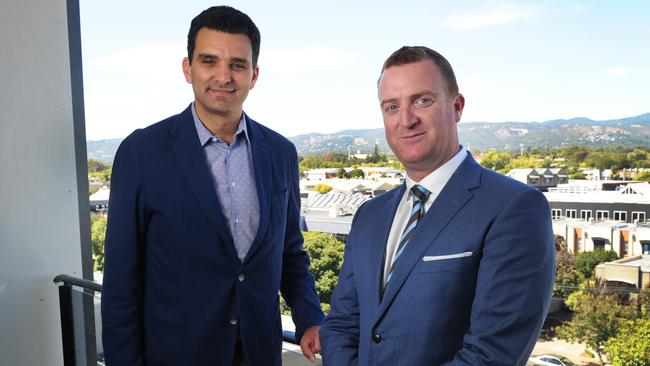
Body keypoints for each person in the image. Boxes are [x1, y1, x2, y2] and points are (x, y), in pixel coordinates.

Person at [101, 6, 324, 365]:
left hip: (259, 352)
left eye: (237, 65)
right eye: (209, 61)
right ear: (188, 69)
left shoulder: (281, 152)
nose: (224, 76)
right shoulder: (141, 153)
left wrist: (310, 317)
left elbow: (289, 252)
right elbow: (121, 282)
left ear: (254, 75)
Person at [320, 46, 555, 365]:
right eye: (391, 106)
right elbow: (341, 325)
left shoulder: (514, 208)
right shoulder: (369, 215)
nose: (406, 120)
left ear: (456, 107)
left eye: (422, 100)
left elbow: (491, 354)